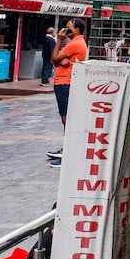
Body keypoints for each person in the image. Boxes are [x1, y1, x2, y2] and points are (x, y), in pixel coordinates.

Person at [47, 18, 88, 167]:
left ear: (76, 30)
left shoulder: (74, 44)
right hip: (65, 82)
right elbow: (57, 60)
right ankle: (67, 149)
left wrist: (59, 40)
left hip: (65, 82)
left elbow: (54, 59)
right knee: (66, 118)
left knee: (67, 119)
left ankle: (68, 153)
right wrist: (60, 60)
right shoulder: (77, 43)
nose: (65, 30)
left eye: (68, 28)